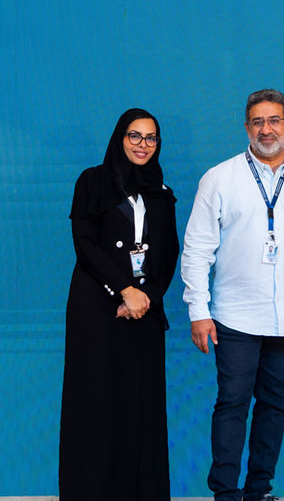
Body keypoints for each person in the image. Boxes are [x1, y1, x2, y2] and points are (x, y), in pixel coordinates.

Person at [181, 89, 284, 501]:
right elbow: (196, 249)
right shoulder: (219, 178)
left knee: (274, 406)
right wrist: (199, 311)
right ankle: (226, 493)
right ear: (247, 127)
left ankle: (259, 491)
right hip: (234, 316)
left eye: (274, 121)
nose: (266, 130)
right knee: (232, 404)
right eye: (258, 122)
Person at [59, 108, 180, 501]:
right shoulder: (92, 181)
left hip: (144, 313)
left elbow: (169, 254)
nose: (143, 145)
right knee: (95, 403)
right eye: (135, 136)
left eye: (151, 138)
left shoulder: (162, 192)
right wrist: (124, 289)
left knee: (141, 407)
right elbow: (84, 243)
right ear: (119, 138)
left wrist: (147, 297)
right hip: (98, 310)